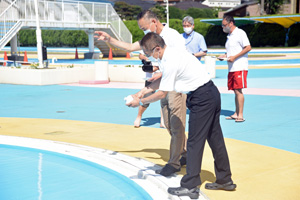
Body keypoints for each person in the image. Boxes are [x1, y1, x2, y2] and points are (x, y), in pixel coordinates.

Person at [126, 32, 236, 199]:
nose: (149, 57)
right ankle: (224, 179)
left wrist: (140, 103)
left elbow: (162, 93)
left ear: (157, 48)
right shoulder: (171, 54)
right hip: (211, 93)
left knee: (194, 142)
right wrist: (140, 92)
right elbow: (159, 82)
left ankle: (190, 186)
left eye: (148, 53)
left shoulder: (170, 61)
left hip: (202, 98)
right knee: (215, 139)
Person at [95, 10, 187, 176]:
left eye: (144, 27)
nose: (144, 31)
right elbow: (130, 47)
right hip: (164, 81)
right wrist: (110, 39)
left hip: (177, 84)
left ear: (153, 21)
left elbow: (181, 63)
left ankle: (174, 163)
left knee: (176, 126)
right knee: (168, 123)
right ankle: (185, 153)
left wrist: (143, 96)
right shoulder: (151, 38)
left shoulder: (173, 37)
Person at [219, 15, 251, 123]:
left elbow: (248, 47)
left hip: (239, 66)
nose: (223, 27)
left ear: (231, 23)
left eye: (224, 25)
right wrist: (225, 55)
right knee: (235, 91)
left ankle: (240, 114)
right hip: (231, 67)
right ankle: (236, 112)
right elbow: (232, 50)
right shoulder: (229, 36)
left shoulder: (240, 33)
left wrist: (234, 57)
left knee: (238, 90)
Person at [134, 53, 165, 128]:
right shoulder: (148, 43)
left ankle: (163, 120)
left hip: (164, 76)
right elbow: (140, 55)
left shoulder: (166, 45)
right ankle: (139, 116)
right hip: (150, 78)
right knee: (146, 98)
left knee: (164, 99)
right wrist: (145, 58)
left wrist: (157, 67)